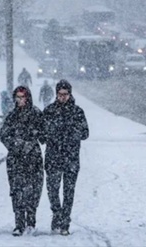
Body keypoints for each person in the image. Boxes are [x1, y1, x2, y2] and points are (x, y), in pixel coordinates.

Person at [42, 79, 89, 236]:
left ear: (70, 94)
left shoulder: (77, 112)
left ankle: (65, 221)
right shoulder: (49, 111)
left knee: (69, 192)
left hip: (71, 158)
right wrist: (51, 133)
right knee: (52, 190)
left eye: (65, 94)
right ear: (56, 94)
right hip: (53, 157)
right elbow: (42, 135)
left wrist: (71, 133)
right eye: (60, 94)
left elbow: (85, 133)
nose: (62, 97)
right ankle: (57, 213)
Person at [0, 86, 45, 236]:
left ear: (28, 98)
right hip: (16, 159)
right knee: (17, 191)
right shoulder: (12, 116)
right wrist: (16, 145)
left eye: (22, 97)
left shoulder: (36, 114)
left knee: (33, 190)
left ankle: (31, 221)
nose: (20, 100)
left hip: (33, 158)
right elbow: (4, 135)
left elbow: (44, 134)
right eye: (17, 97)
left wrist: (33, 138)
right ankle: (19, 223)